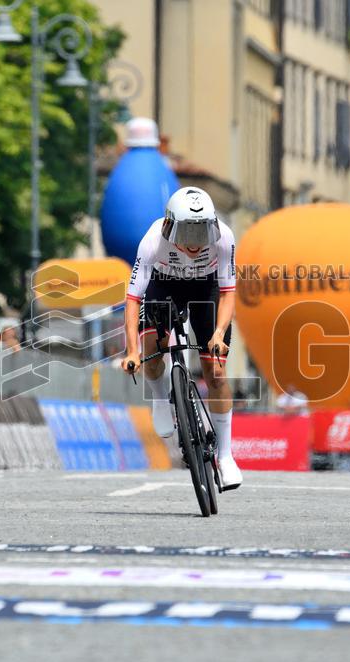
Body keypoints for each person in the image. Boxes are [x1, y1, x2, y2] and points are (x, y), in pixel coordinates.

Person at [121, 186, 241, 491]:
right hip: (164, 284)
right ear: (169, 225)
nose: (195, 243)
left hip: (207, 287)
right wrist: (133, 351)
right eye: (187, 232)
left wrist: (217, 334)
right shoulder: (152, 242)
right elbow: (133, 299)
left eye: (202, 232)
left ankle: (225, 457)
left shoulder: (224, 238)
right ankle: (161, 399)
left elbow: (228, 293)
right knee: (151, 351)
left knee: (215, 371)